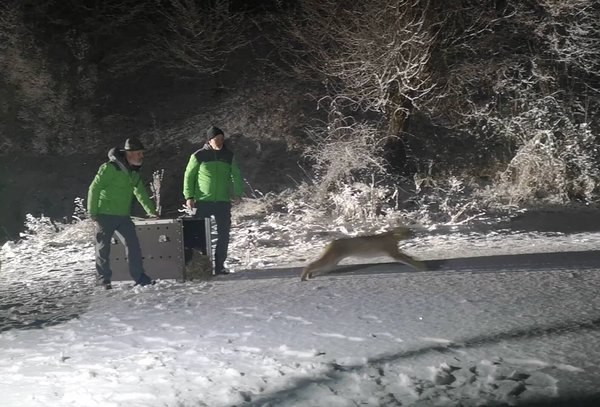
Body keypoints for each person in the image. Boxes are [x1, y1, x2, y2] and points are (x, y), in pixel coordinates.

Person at [88, 137, 158, 289]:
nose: (142, 156)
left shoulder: (134, 172)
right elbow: (94, 188)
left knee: (133, 245)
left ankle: (140, 277)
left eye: (142, 153)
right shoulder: (110, 168)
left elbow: (140, 193)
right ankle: (103, 280)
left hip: (123, 216)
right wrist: (92, 213)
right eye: (139, 153)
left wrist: (151, 212)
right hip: (104, 215)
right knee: (103, 248)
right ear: (129, 153)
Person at [183, 125, 243, 275]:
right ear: (209, 140)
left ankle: (220, 266)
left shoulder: (228, 156)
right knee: (199, 235)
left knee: (224, 234)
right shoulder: (198, 156)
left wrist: (238, 193)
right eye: (217, 139)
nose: (220, 142)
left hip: (222, 202)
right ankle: (202, 266)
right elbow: (188, 176)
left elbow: (236, 175)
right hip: (202, 201)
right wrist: (189, 197)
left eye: (222, 139)